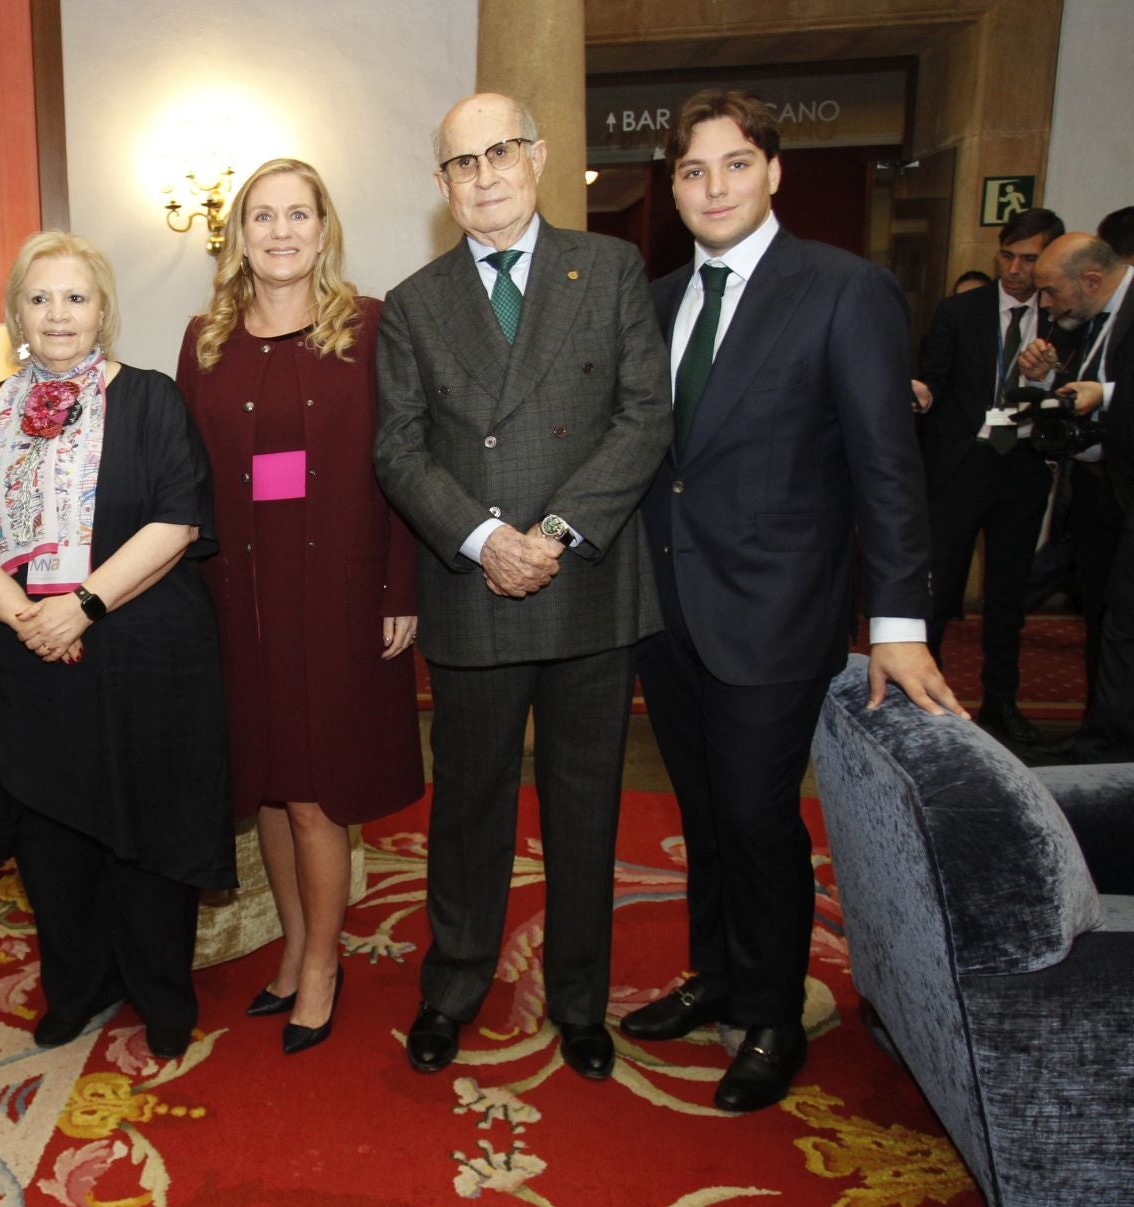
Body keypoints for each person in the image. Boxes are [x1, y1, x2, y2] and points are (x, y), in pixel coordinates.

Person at [627, 89, 964, 1113]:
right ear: (674, 187)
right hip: (665, 608)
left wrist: (899, 622)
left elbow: (886, 467)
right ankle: (716, 972)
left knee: (757, 810)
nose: (713, 185)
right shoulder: (654, 299)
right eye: (692, 170)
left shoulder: (842, 289)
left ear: (773, 171)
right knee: (702, 807)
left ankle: (773, 1009)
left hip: (775, 613)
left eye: (734, 164)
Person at [374, 93, 671, 1082]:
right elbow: (398, 447)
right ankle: (453, 986)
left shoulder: (613, 268)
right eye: (461, 163)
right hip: (475, 588)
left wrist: (550, 531)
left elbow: (643, 420)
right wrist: (482, 534)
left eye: (499, 152)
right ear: (443, 185)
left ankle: (581, 1000)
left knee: (586, 805)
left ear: (538, 158)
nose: (483, 175)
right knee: (469, 808)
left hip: (585, 577)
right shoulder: (416, 303)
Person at [0, 231, 234, 1060]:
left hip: (138, 656)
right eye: (39, 297)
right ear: (15, 314)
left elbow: (178, 517)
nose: (57, 314)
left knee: (146, 830)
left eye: (74, 297)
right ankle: (78, 986)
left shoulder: (150, 399)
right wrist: (27, 615)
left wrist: (81, 606)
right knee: (48, 835)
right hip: (20, 656)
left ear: (103, 310)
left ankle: (161, 992)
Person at [176, 158, 422, 1055]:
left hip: (342, 591)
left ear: (324, 229)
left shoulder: (371, 329)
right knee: (269, 791)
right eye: (262, 217)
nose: (280, 232)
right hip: (239, 597)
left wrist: (403, 586)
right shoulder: (206, 341)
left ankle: (323, 962)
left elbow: (404, 464)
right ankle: (292, 947)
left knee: (319, 793)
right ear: (238, 235)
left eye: (298, 215)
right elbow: (193, 487)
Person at [912, 207, 1066, 748]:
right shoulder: (961, 311)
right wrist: (921, 393)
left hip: (1022, 469)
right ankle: (922, 695)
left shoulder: (1062, 318)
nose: (1016, 269)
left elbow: (1076, 395)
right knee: (938, 591)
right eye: (1008, 255)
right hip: (961, 468)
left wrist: (1046, 375)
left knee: (1006, 596)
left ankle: (1001, 700)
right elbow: (933, 380)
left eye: (1029, 258)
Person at [1022, 233, 1132, 762]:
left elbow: (1110, 390)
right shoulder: (1086, 325)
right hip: (1097, 495)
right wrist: (1048, 380)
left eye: (1051, 291)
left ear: (1091, 280)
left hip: (1122, 493)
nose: (1046, 303)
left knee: (1123, 625)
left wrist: (1105, 394)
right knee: (1106, 619)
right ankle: (1102, 735)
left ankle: (1108, 744)